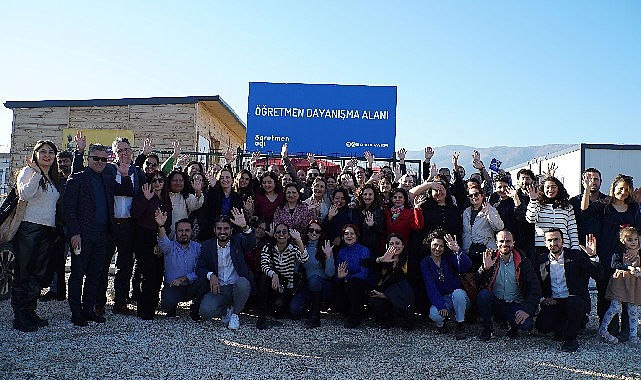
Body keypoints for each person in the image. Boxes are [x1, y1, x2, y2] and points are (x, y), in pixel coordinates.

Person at [581, 174, 641, 340]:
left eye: (626, 189)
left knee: (629, 292)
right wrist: (586, 189)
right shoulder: (604, 204)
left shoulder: (634, 208)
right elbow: (585, 208)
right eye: (620, 188)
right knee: (607, 292)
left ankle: (628, 330)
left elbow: (639, 231)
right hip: (608, 255)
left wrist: (637, 251)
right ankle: (608, 327)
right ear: (613, 188)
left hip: (629, 256)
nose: (623, 192)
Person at [11, 140, 61, 332]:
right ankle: (19, 316)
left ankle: (30, 310)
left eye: (50, 152)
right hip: (29, 229)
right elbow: (24, 194)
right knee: (23, 273)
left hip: (47, 230)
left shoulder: (52, 177)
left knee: (38, 274)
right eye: (43, 152)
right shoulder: (29, 172)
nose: (47, 155)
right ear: (35, 154)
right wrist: (37, 173)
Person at [64, 144, 113, 327]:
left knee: (96, 274)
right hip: (82, 236)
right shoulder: (76, 179)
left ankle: (88, 309)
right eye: (96, 158)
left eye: (103, 159)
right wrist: (74, 233)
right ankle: (76, 313)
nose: (100, 162)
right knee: (77, 274)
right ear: (88, 159)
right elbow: (68, 209)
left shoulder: (107, 180)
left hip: (102, 235)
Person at [535, 229, 599, 352]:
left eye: (556, 239)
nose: (553, 243)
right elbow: (536, 284)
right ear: (545, 243)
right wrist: (542, 299)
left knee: (573, 303)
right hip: (554, 301)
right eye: (549, 240)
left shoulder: (576, 256)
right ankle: (567, 324)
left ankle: (571, 339)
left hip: (574, 298)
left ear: (563, 241)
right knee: (542, 326)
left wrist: (592, 256)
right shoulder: (541, 260)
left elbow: (598, 274)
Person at [476, 230, 541, 342]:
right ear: (496, 243)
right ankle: (488, 328)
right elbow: (478, 281)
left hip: (515, 303)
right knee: (483, 295)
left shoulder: (524, 262)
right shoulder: (490, 258)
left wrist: (526, 310)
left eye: (508, 241)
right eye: (501, 241)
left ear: (513, 243)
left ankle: (512, 326)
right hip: (496, 302)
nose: (504, 244)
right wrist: (485, 269)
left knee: (526, 325)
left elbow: (535, 288)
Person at [196, 210, 255, 330]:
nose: (222, 232)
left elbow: (251, 243)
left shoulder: (238, 241)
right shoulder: (207, 246)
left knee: (243, 283)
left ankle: (235, 314)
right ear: (214, 230)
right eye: (219, 228)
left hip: (237, 286)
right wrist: (211, 275)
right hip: (220, 288)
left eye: (226, 228)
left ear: (231, 230)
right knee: (205, 311)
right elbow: (199, 268)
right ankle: (227, 311)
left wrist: (245, 227)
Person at [131, 170, 172, 320]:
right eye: (154, 180)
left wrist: (161, 242)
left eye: (160, 180)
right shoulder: (145, 194)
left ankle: (153, 306)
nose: (157, 183)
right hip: (144, 238)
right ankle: (144, 310)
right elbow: (135, 214)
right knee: (148, 275)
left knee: (158, 274)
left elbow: (168, 221)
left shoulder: (166, 198)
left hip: (160, 237)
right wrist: (146, 199)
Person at [155, 212, 207, 320]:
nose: (184, 233)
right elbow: (162, 239)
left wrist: (184, 278)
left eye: (187, 230)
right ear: (176, 232)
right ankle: (171, 308)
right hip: (174, 287)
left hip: (191, 286)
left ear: (192, 232)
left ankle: (195, 309)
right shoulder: (169, 247)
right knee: (166, 305)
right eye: (180, 230)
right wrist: (160, 226)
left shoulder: (198, 248)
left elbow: (200, 269)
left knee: (204, 280)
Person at [256, 223, 309, 330]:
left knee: (279, 305)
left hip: (286, 284)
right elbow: (264, 265)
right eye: (278, 232)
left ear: (288, 235)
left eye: (284, 232)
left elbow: (304, 259)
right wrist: (274, 274)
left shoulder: (292, 249)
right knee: (263, 278)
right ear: (274, 235)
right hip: (271, 281)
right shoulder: (268, 247)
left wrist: (299, 241)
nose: (281, 234)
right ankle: (261, 317)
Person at [421, 231, 472, 339]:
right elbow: (430, 287)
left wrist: (458, 250)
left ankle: (460, 324)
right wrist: (440, 305)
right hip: (443, 299)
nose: (438, 249)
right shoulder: (425, 263)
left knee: (458, 293)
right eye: (435, 245)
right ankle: (442, 325)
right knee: (434, 313)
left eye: (441, 246)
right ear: (429, 244)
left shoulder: (449, 258)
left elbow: (466, 266)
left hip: (458, 299)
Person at [362, 233, 415, 329]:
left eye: (397, 243)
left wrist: (387, 295)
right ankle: (387, 320)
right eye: (391, 244)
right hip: (384, 293)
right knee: (376, 304)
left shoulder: (409, 261)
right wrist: (381, 260)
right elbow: (363, 263)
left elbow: (411, 285)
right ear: (387, 246)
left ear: (403, 245)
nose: (394, 246)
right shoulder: (383, 259)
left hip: (402, 296)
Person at [598, 226, 641, 344]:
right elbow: (614, 264)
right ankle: (603, 329)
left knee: (633, 310)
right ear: (623, 240)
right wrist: (628, 267)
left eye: (635, 239)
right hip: (620, 282)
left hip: (633, 284)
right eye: (630, 240)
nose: (633, 242)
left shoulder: (639, 251)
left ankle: (633, 336)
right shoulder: (618, 251)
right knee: (615, 307)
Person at [289, 220, 335, 328]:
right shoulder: (302, 246)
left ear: (321, 233)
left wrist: (328, 257)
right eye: (311, 230)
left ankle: (315, 316)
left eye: (317, 231)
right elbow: (295, 269)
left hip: (323, 284)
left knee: (315, 280)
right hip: (308, 284)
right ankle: (308, 306)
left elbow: (330, 273)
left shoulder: (325, 247)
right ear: (307, 231)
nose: (314, 233)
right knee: (294, 309)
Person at [42, 149, 74, 302]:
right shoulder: (55, 180)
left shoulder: (77, 178)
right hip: (59, 226)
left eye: (65, 161)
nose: (63, 165)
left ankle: (76, 293)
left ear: (71, 161)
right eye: (60, 162)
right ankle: (57, 291)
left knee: (78, 262)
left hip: (75, 226)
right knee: (57, 260)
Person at [526, 176, 579, 266]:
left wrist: (575, 248)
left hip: (563, 247)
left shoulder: (567, 206)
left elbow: (572, 229)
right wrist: (533, 200)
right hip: (542, 247)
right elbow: (530, 219)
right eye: (547, 187)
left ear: (558, 188)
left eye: (553, 187)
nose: (550, 190)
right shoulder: (537, 204)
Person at [334, 224, 372, 328]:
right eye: (346, 234)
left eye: (352, 233)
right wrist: (341, 277)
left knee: (352, 284)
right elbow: (338, 275)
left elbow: (364, 274)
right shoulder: (341, 252)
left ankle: (356, 318)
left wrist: (347, 278)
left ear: (357, 235)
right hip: (346, 283)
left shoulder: (364, 250)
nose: (349, 236)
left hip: (360, 284)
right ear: (343, 236)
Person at [462, 182, 504, 270]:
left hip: (486, 251)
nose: (474, 197)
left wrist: (488, 213)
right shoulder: (466, 212)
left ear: (482, 196)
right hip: (470, 251)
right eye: (471, 196)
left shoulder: (490, 209)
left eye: (476, 194)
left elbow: (499, 227)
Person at [570, 168, 607, 246]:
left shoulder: (607, 201)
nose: (593, 182)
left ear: (601, 182)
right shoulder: (574, 201)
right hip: (580, 246)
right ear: (583, 182)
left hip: (603, 246)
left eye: (596, 179)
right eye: (589, 179)